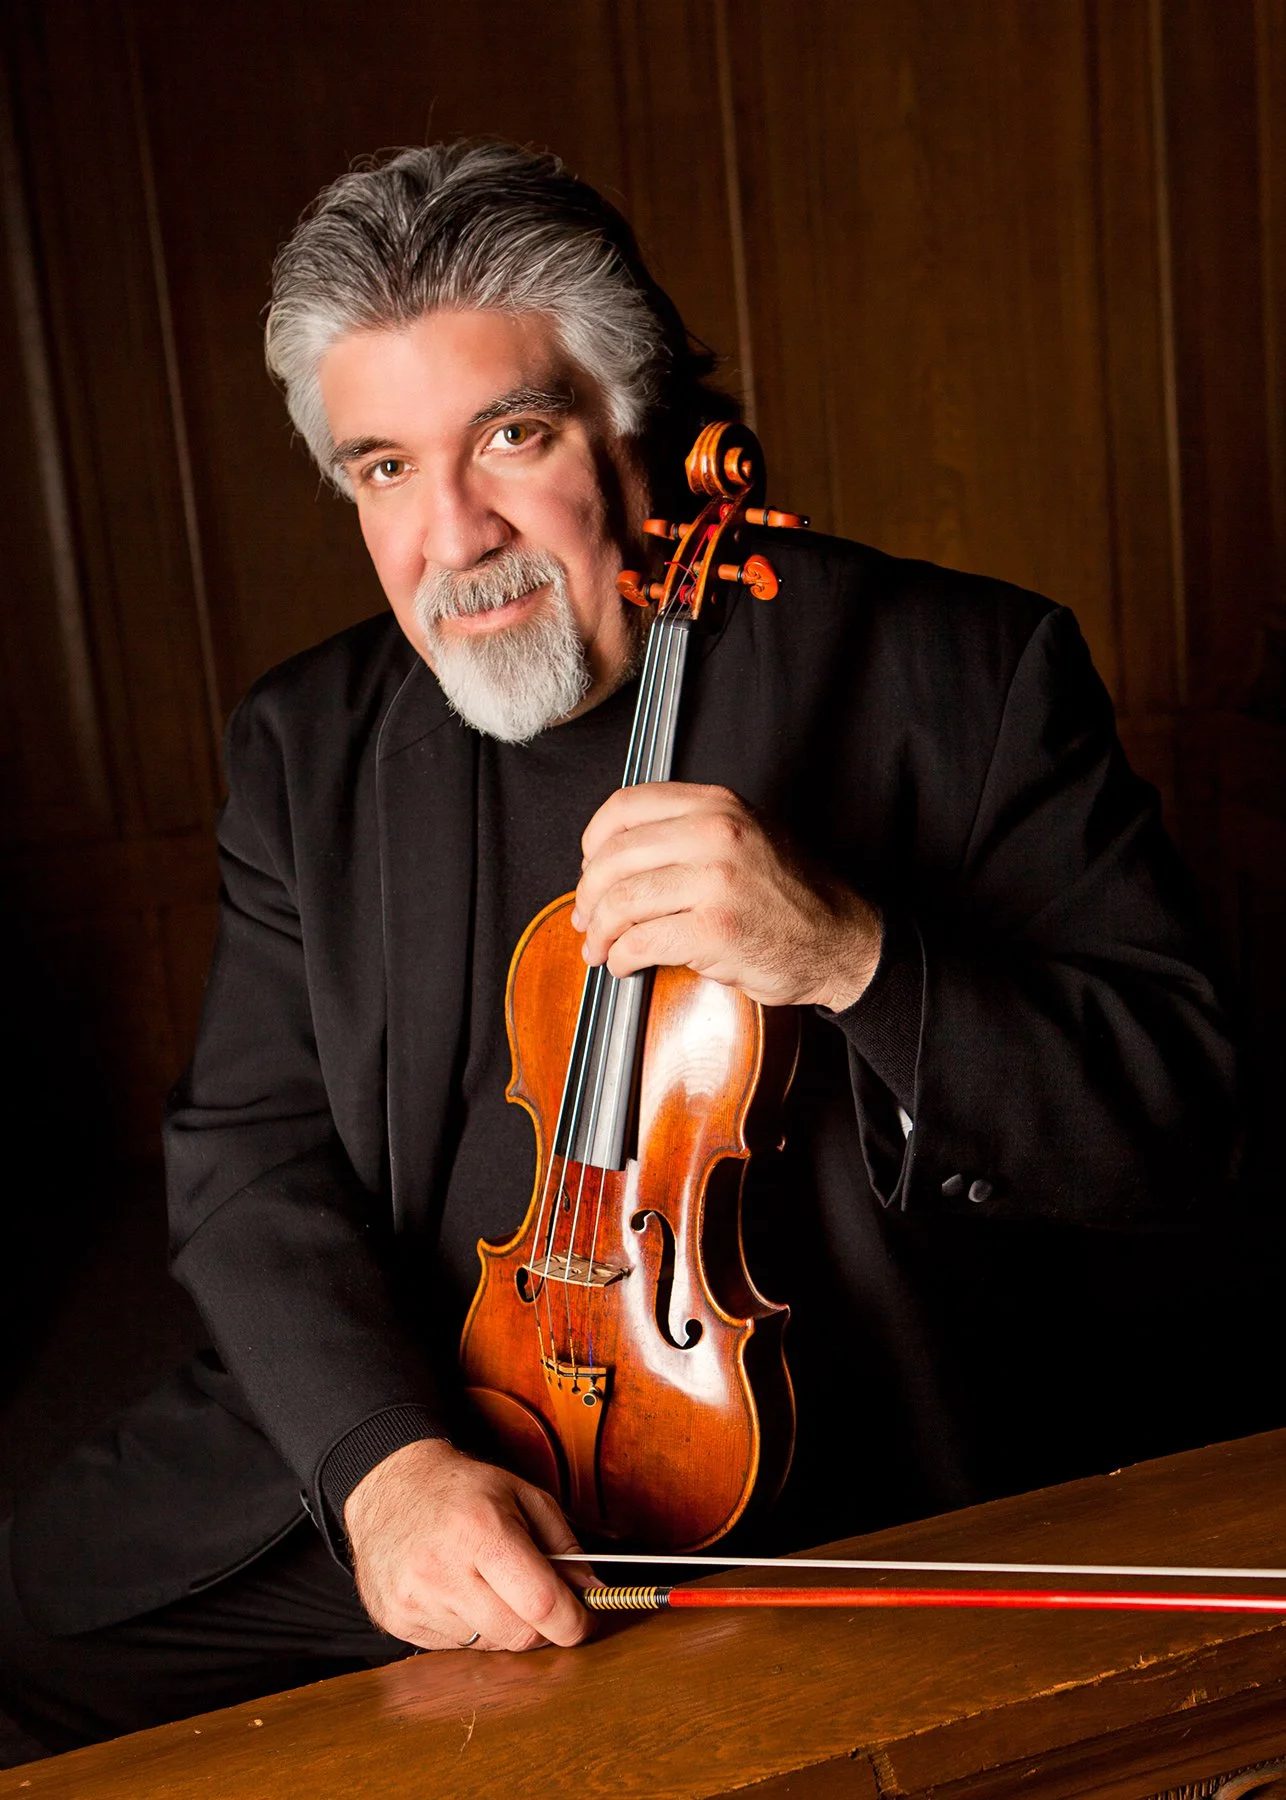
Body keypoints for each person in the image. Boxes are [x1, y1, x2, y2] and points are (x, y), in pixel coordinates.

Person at [0, 140, 1244, 1754]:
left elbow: (1180, 1130)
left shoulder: (962, 672)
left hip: (805, 1468)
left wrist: (853, 957)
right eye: (384, 468)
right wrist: (386, 1471)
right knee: (30, 1624)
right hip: (433, 1421)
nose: (453, 536)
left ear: (636, 423)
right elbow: (249, 1152)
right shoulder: (308, 745)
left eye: (510, 437)